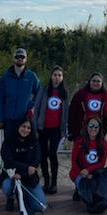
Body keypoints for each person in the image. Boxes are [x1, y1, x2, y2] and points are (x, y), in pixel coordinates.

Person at [0, 119, 46, 215]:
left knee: (39, 206)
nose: (26, 130)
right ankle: (10, 197)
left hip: (29, 177)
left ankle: (25, 199)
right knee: (7, 186)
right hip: (13, 176)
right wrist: (26, 168)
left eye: (28, 128)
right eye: (23, 127)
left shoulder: (34, 141)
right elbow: (8, 161)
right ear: (17, 127)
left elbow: (37, 158)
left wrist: (31, 168)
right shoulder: (8, 141)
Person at [34, 66, 68, 194]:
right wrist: (35, 127)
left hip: (56, 129)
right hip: (43, 128)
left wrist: (65, 129)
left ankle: (54, 182)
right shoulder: (44, 90)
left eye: (59, 75)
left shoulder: (64, 92)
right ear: (51, 76)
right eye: (55, 75)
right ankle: (46, 181)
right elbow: (36, 109)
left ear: (62, 77)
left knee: (53, 154)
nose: (57, 77)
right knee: (43, 155)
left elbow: (66, 112)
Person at [0, 48, 41, 140]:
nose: (20, 59)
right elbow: (0, 98)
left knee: (23, 147)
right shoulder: (5, 77)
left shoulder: (32, 76)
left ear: (26, 59)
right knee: (9, 146)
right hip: (8, 118)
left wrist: (31, 105)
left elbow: (40, 94)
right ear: (13, 58)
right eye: (17, 56)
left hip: (24, 119)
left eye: (22, 57)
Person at [69, 118, 107, 214]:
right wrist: (82, 173)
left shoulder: (103, 143)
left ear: (100, 128)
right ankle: (79, 189)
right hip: (78, 172)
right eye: (91, 126)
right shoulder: (79, 142)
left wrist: (88, 171)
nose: (93, 129)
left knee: (96, 194)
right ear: (86, 127)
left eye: (96, 126)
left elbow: (102, 163)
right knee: (86, 191)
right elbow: (73, 161)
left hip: (94, 173)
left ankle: (81, 191)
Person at [68, 73, 107, 140]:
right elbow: (72, 112)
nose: (95, 83)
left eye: (98, 81)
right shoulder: (80, 94)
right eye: (93, 81)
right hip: (81, 129)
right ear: (89, 82)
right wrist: (71, 130)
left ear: (102, 83)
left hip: (99, 130)